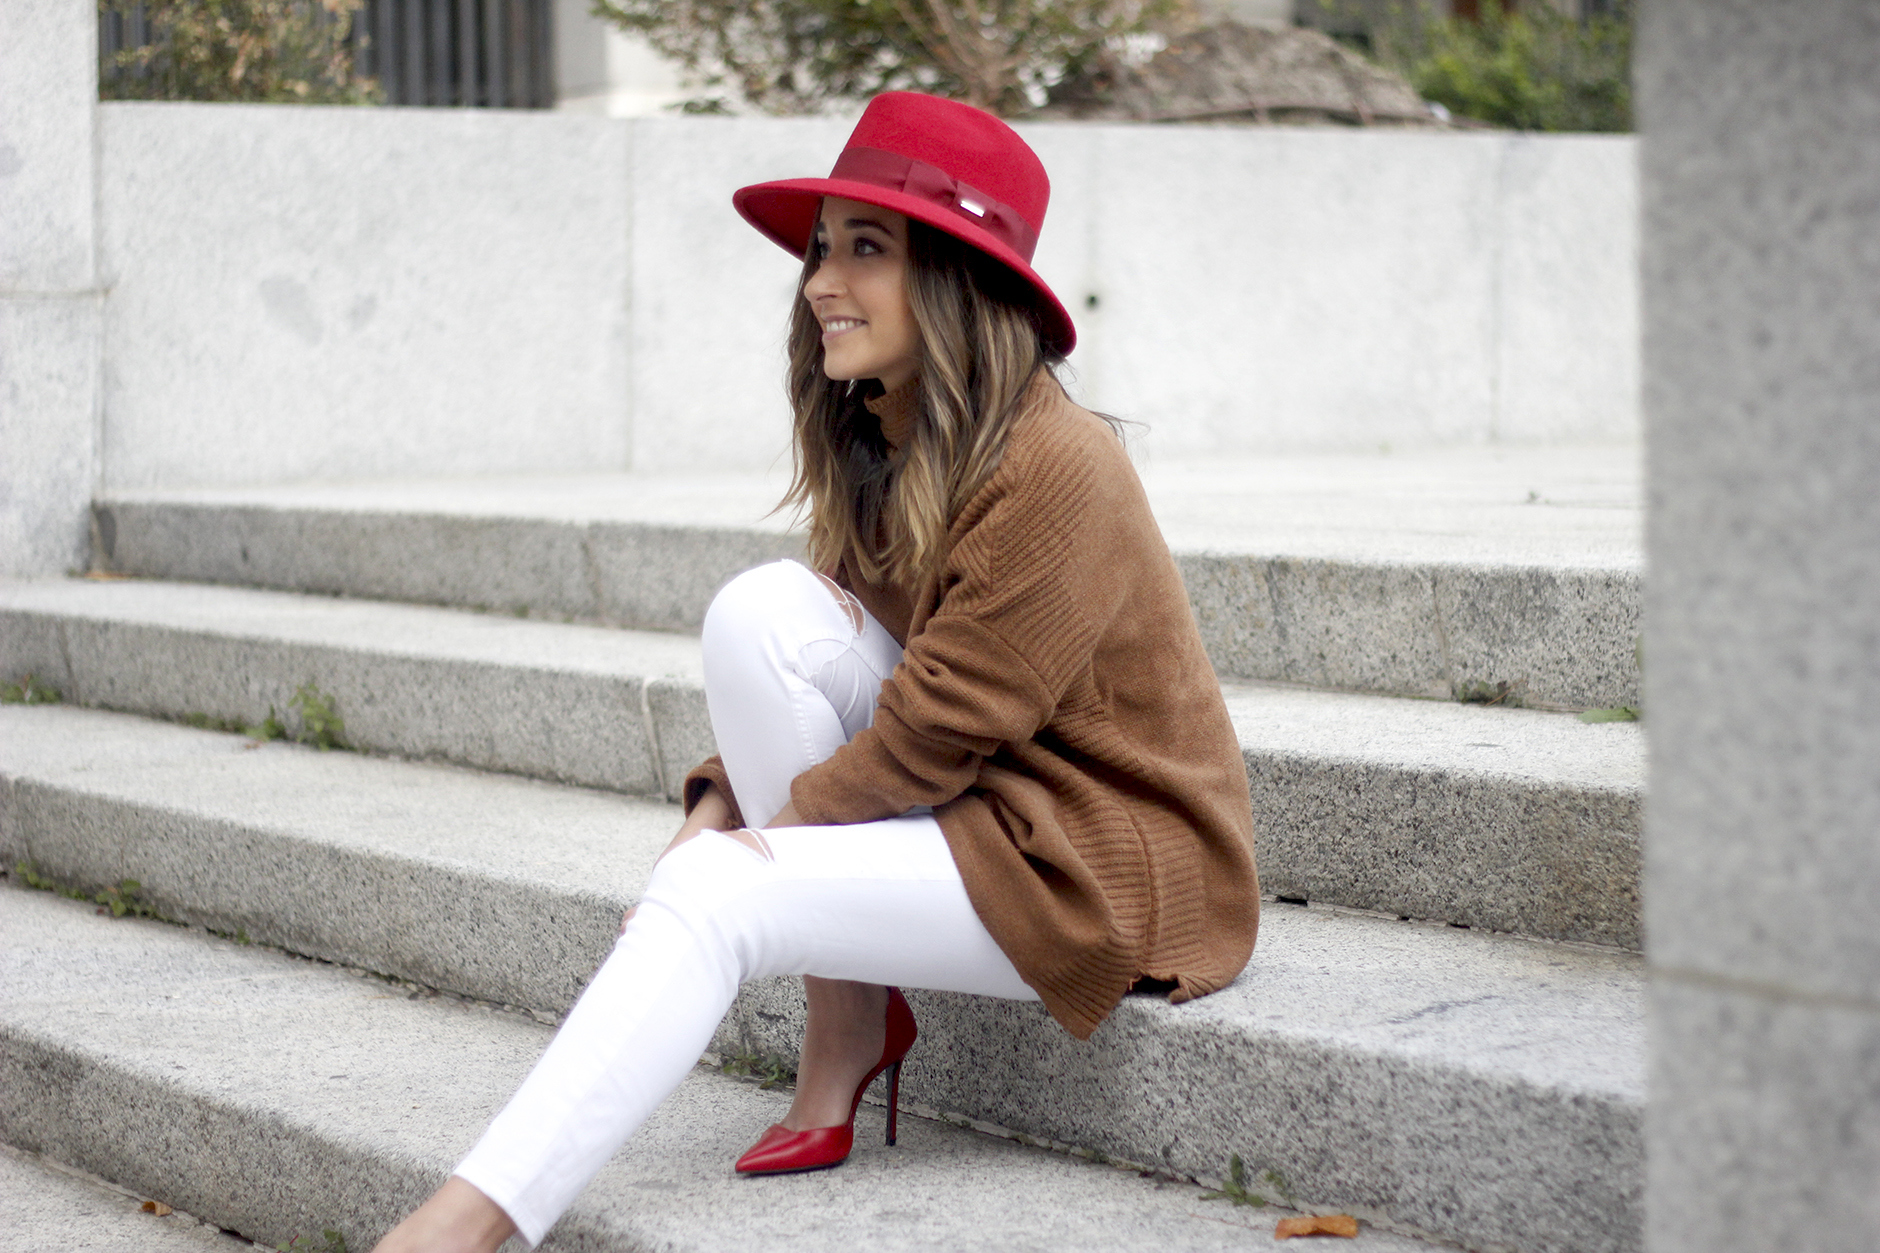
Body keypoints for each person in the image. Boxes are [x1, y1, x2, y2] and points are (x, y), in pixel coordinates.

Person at [371, 90, 1259, 1253]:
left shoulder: (1059, 464)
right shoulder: (889, 436)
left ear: (952, 277)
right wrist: (717, 805)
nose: (819, 282)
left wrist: (749, 856)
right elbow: (850, 654)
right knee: (759, 614)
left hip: (1100, 857)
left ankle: (449, 1233)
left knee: (719, 894)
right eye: (821, 248)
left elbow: (941, 720)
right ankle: (846, 1020)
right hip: (993, 795)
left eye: (865, 250)